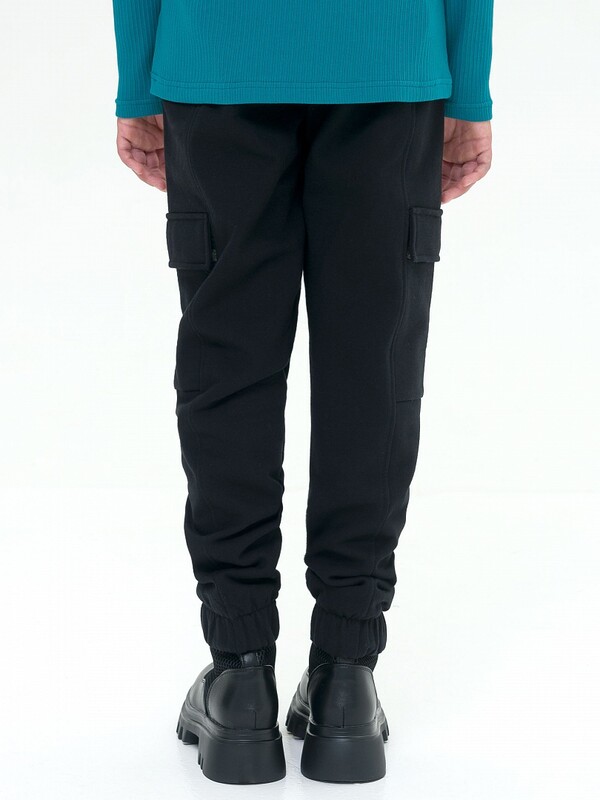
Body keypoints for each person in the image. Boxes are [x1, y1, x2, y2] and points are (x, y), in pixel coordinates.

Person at [111, 0, 494, 785]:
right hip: (390, 54)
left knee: (227, 367)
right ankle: (346, 679)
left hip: (215, 51)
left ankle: (240, 677)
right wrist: (469, 86)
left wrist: (138, 79)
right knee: (374, 370)